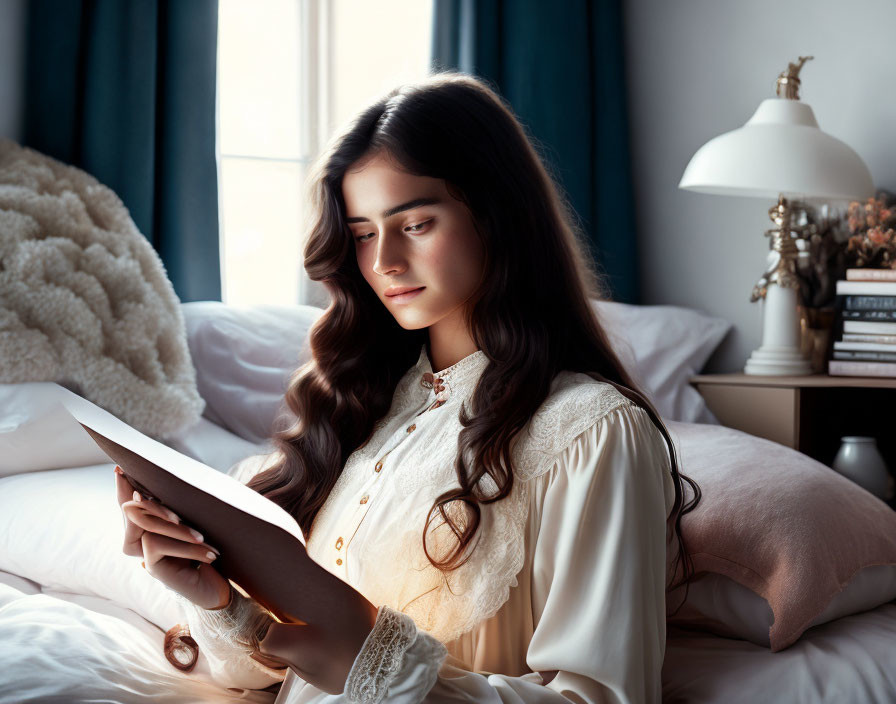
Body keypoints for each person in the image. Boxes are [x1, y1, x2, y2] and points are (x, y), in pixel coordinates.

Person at [117, 70, 701, 703]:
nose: (384, 261)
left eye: (415, 223)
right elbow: (282, 674)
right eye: (364, 233)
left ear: (498, 215)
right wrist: (220, 600)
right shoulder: (364, 408)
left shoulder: (592, 432)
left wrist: (376, 669)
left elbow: (605, 698)